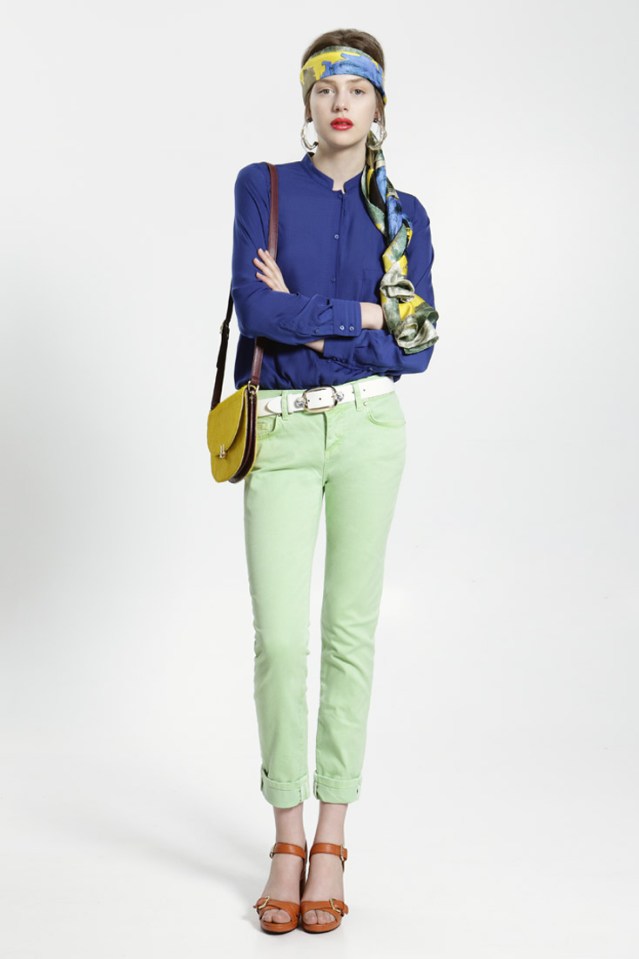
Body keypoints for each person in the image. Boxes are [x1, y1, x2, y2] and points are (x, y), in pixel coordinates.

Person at [230, 29, 439, 934]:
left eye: (356, 88)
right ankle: (285, 835)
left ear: (379, 107)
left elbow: (417, 346)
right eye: (323, 89)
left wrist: (311, 322)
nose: (339, 102)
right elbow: (256, 308)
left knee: (349, 633)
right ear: (306, 103)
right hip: (280, 431)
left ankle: (331, 839)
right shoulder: (264, 186)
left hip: (368, 430)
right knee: (281, 640)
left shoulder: (405, 214)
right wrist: (364, 314)